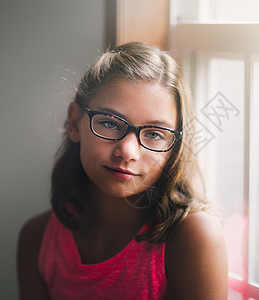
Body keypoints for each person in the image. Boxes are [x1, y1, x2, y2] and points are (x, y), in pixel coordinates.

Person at [17, 42, 228, 300]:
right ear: (75, 123)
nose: (127, 152)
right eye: (109, 123)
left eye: (153, 134)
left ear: (175, 147)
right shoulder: (36, 239)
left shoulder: (191, 238)